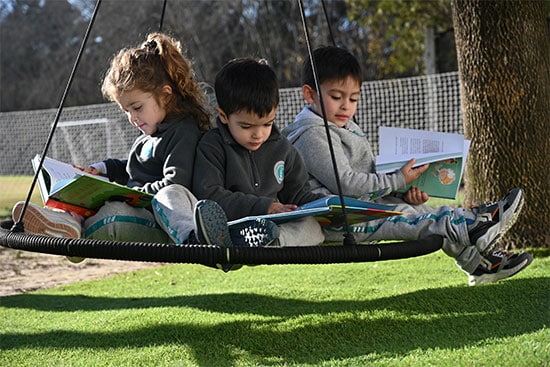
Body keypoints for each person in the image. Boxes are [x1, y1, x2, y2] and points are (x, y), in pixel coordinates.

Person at [12, 33, 275, 265]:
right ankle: (64, 223)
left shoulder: (184, 131)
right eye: (125, 110)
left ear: (166, 94)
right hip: (140, 201)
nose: (132, 118)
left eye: (136, 108)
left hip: (161, 211)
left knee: (110, 212)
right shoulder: (149, 134)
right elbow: (132, 167)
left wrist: (127, 193)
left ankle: (69, 228)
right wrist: (102, 169)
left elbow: (175, 182)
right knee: (87, 197)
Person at [281, 45, 533, 286]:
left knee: (418, 209)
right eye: (336, 97)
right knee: (417, 218)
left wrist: (402, 190)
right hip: (337, 219)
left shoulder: (343, 126)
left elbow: (367, 176)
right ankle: (474, 223)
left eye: (354, 98)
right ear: (309, 94)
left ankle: (480, 263)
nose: (346, 106)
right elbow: (345, 182)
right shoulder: (312, 135)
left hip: (360, 208)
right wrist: (398, 180)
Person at [185, 57, 325, 247]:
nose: (258, 134)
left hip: (271, 226)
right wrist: (264, 207)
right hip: (231, 225)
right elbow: (209, 198)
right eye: (246, 126)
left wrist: (327, 205)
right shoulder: (212, 146)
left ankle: (273, 241)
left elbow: (298, 195)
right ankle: (247, 242)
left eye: (267, 124)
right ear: (223, 116)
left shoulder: (283, 148)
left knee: (313, 228)